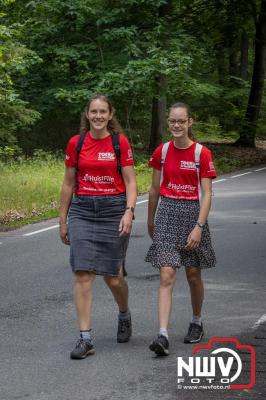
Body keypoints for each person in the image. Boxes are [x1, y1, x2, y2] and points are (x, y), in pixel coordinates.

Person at [59, 95, 137, 359]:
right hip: (82, 210)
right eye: (94, 111)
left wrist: (129, 212)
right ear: (87, 114)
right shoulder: (76, 143)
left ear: (110, 114)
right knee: (83, 274)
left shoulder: (119, 142)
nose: (98, 115)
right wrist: (63, 219)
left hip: (113, 210)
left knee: (113, 277)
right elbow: (68, 183)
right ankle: (86, 339)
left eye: (103, 111)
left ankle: (124, 313)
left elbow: (130, 182)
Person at [145, 102, 216, 356]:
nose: (176, 125)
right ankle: (162, 334)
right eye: (172, 121)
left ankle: (197, 321)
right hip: (166, 213)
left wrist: (199, 226)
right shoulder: (161, 152)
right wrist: (150, 219)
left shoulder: (201, 153)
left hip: (192, 215)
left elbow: (207, 194)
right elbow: (154, 190)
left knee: (193, 274)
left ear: (189, 122)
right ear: (168, 122)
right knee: (166, 274)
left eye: (181, 121)